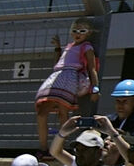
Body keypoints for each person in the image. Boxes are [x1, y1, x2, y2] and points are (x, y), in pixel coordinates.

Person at [33, 19, 98, 154]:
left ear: (88, 33)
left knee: (63, 113)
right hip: (57, 76)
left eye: (82, 31)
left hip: (69, 77)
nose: (78, 34)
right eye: (74, 31)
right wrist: (58, 48)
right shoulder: (69, 46)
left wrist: (95, 88)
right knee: (42, 112)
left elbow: (92, 68)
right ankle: (44, 148)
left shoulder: (86, 46)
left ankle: (60, 148)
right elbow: (58, 63)